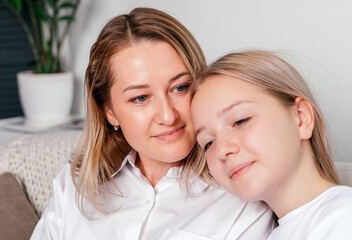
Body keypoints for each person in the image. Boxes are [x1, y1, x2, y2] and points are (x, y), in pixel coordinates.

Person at [30, 8, 273, 240]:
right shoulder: (74, 186)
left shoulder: (242, 193)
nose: (168, 116)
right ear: (109, 112)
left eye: (180, 88)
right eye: (140, 98)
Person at [191, 50, 352, 239]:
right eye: (208, 143)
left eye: (240, 121)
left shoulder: (342, 218)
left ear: (301, 118)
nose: (222, 150)